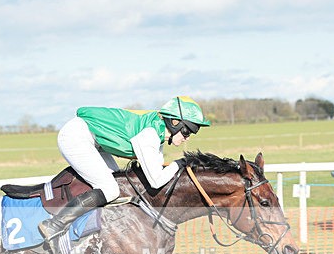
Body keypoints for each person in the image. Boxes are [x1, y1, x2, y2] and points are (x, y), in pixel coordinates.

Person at [38, 96, 210, 243]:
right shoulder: (149, 135)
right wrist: (179, 163)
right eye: (187, 131)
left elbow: (157, 171)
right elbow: (156, 181)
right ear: (174, 123)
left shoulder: (157, 134)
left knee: (119, 186)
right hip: (76, 136)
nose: (187, 137)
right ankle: (54, 225)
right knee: (110, 189)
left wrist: (177, 166)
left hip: (95, 140)